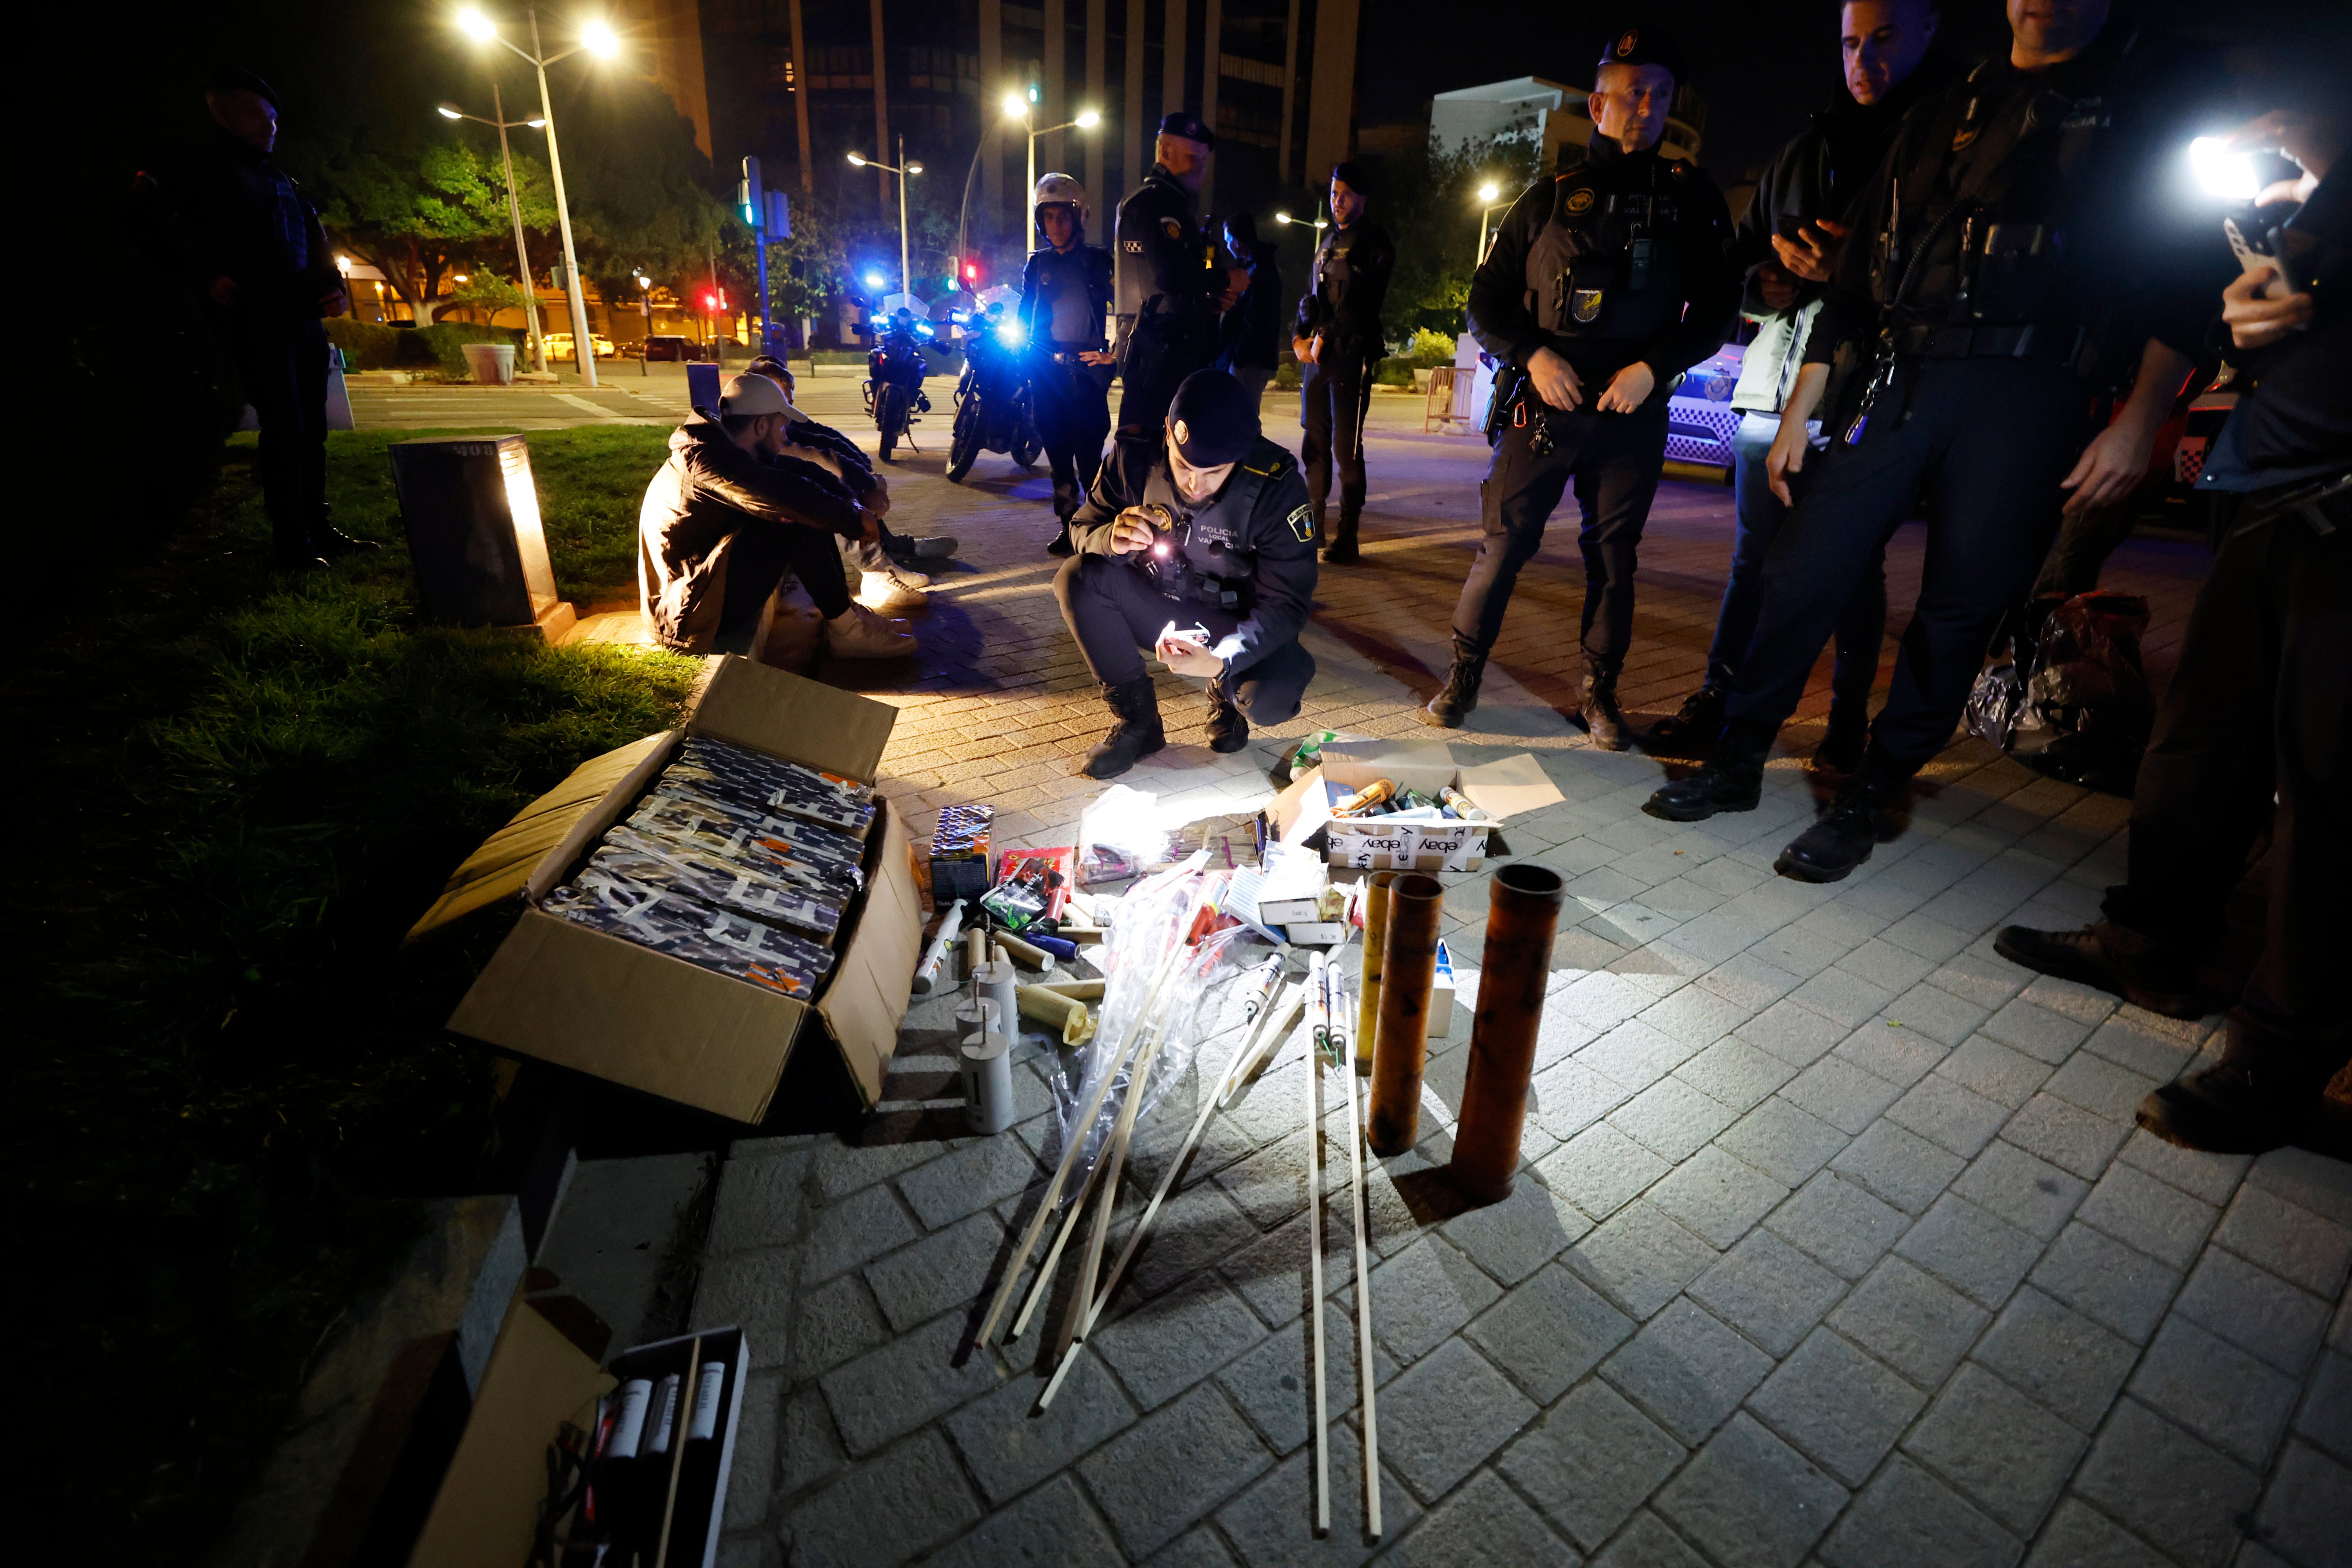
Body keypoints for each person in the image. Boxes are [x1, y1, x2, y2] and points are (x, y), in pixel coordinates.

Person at [1645, 0, 2222, 882]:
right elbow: (1857, 281)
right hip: (1906, 372)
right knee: (1805, 565)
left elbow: (2183, 281)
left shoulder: (2145, 104)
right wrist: (1804, 407)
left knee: (1960, 605)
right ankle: (1739, 759)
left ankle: (1870, 794)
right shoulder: (1952, 110)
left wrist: (2139, 420)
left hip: (2036, 391)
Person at [1997, 111, 2347, 1156]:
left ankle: (2279, 1063)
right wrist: (2283, 248)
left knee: (2327, 794)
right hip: (2271, 484)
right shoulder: (2312, 215)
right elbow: (2257, 322)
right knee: (2202, 744)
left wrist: (2328, 173)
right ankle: (2152, 941)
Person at [1652, 0, 1953, 768]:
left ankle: (1848, 723)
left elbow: (1954, 281)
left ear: (1928, 29)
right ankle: (1720, 702)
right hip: (1772, 388)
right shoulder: (1804, 150)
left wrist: (1856, 267)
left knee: (1855, 566)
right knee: (1753, 559)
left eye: (1883, 38)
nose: (1864, 59)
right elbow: (1741, 268)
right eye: (1852, 41)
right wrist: (1766, 282)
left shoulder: (1950, 143)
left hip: (1873, 400)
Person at [1423, 26, 1739, 746]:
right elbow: (1487, 301)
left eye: (1659, 94)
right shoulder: (1548, 196)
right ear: (1597, 104)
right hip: (1547, 403)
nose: (1646, 106)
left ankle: (1600, 696)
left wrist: (1654, 369)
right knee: (1504, 545)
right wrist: (1533, 356)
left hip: (1631, 408)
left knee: (1614, 559)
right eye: (1630, 93)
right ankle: (1463, 676)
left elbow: (1719, 307)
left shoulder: (1693, 199)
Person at [1053, 370, 1321, 779]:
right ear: (1167, 431)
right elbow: (1080, 528)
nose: (1194, 484)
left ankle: (1227, 697)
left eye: (1214, 473)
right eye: (1182, 466)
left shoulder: (1276, 487)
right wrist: (1112, 537)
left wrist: (1221, 661)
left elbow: (1288, 604)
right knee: (1078, 577)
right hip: (1162, 605)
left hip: (1235, 623)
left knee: (1271, 698)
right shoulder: (1134, 456)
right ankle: (1138, 723)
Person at [162, 67, 369, 571]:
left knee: (312, 428)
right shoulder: (199, 172)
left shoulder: (282, 178)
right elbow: (159, 224)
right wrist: (203, 276)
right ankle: (292, 540)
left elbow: (315, 239)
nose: (270, 126)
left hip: (302, 322)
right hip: (257, 320)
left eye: (274, 118)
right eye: (258, 115)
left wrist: (334, 289)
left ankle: (317, 525)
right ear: (222, 112)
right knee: (286, 426)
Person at [639, 373, 913, 659]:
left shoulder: (724, 451)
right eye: (782, 428)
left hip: (699, 592)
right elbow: (786, 495)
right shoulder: (708, 462)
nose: (785, 437)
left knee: (807, 503)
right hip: (687, 614)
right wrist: (855, 523)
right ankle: (846, 630)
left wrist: (854, 507)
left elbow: (800, 473)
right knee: (795, 516)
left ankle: (846, 614)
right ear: (761, 425)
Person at [740, 354, 947, 612]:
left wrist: (865, 473)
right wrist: (864, 485)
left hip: (768, 531)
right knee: (826, 492)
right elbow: (814, 461)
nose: (788, 413)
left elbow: (827, 439)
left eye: (789, 402)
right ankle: (871, 578)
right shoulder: (751, 433)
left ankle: (883, 560)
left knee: (840, 485)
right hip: (746, 557)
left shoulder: (769, 419)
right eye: (782, 403)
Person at [1112, 112, 1247, 441]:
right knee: (1145, 458)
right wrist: (1225, 279)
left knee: (1168, 459)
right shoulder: (1154, 203)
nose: (1200, 168)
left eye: (1203, 160)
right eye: (1191, 158)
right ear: (1165, 152)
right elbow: (1169, 275)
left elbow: (1178, 281)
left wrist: (1208, 300)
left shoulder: (1172, 204)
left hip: (1167, 351)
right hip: (1155, 354)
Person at [1291, 164, 1397, 565]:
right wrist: (1298, 338)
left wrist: (1325, 336)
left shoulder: (1374, 243)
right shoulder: (1327, 243)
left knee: (1345, 449)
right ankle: (1311, 530)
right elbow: (1308, 301)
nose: (1338, 201)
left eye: (1346, 195)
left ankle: (1347, 535)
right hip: (1317, 361)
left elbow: (1365, 307)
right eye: (1335, 193)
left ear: (1363, 198)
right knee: (1312, 444)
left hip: (1351, 357)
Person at [1018, 173, 1118, 556]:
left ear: (1079, 218)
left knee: (1090, 458)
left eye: (1064, 216)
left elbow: (1128, 306)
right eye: (1049, 217)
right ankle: (1068, 525)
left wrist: (1116, 353)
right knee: (1058, 455)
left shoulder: (1098, 262)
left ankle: (1096, 529)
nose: (1056, 225)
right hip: (1045, 372)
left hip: (1085, 373)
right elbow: (1023, 314)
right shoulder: (1036, 265)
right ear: (1040, 221)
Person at [1215, 210, 1283, 408]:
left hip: (1250, 359)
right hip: (1248, 357)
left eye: (1228, 240)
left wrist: (1238, 355)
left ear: (1237, 241)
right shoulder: (1254, 267)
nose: (1227, 246)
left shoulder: (1260, 271)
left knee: (1243, 416)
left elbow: (1256, 319)